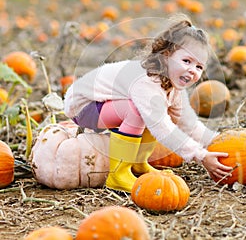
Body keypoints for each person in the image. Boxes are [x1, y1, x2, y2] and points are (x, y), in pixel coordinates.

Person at [64, 14, 233, 192]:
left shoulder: (173, 87)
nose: (192, 70)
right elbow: (162, 128)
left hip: (106, 105)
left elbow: (188, 124)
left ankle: (138, 164)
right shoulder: (147, 81)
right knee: (139, 111)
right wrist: (200, 155)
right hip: (83, 106)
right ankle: (118, 174)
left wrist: (217, 141)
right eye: (186, 61)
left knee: (154, 111)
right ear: (166, 56)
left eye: (199, 67)